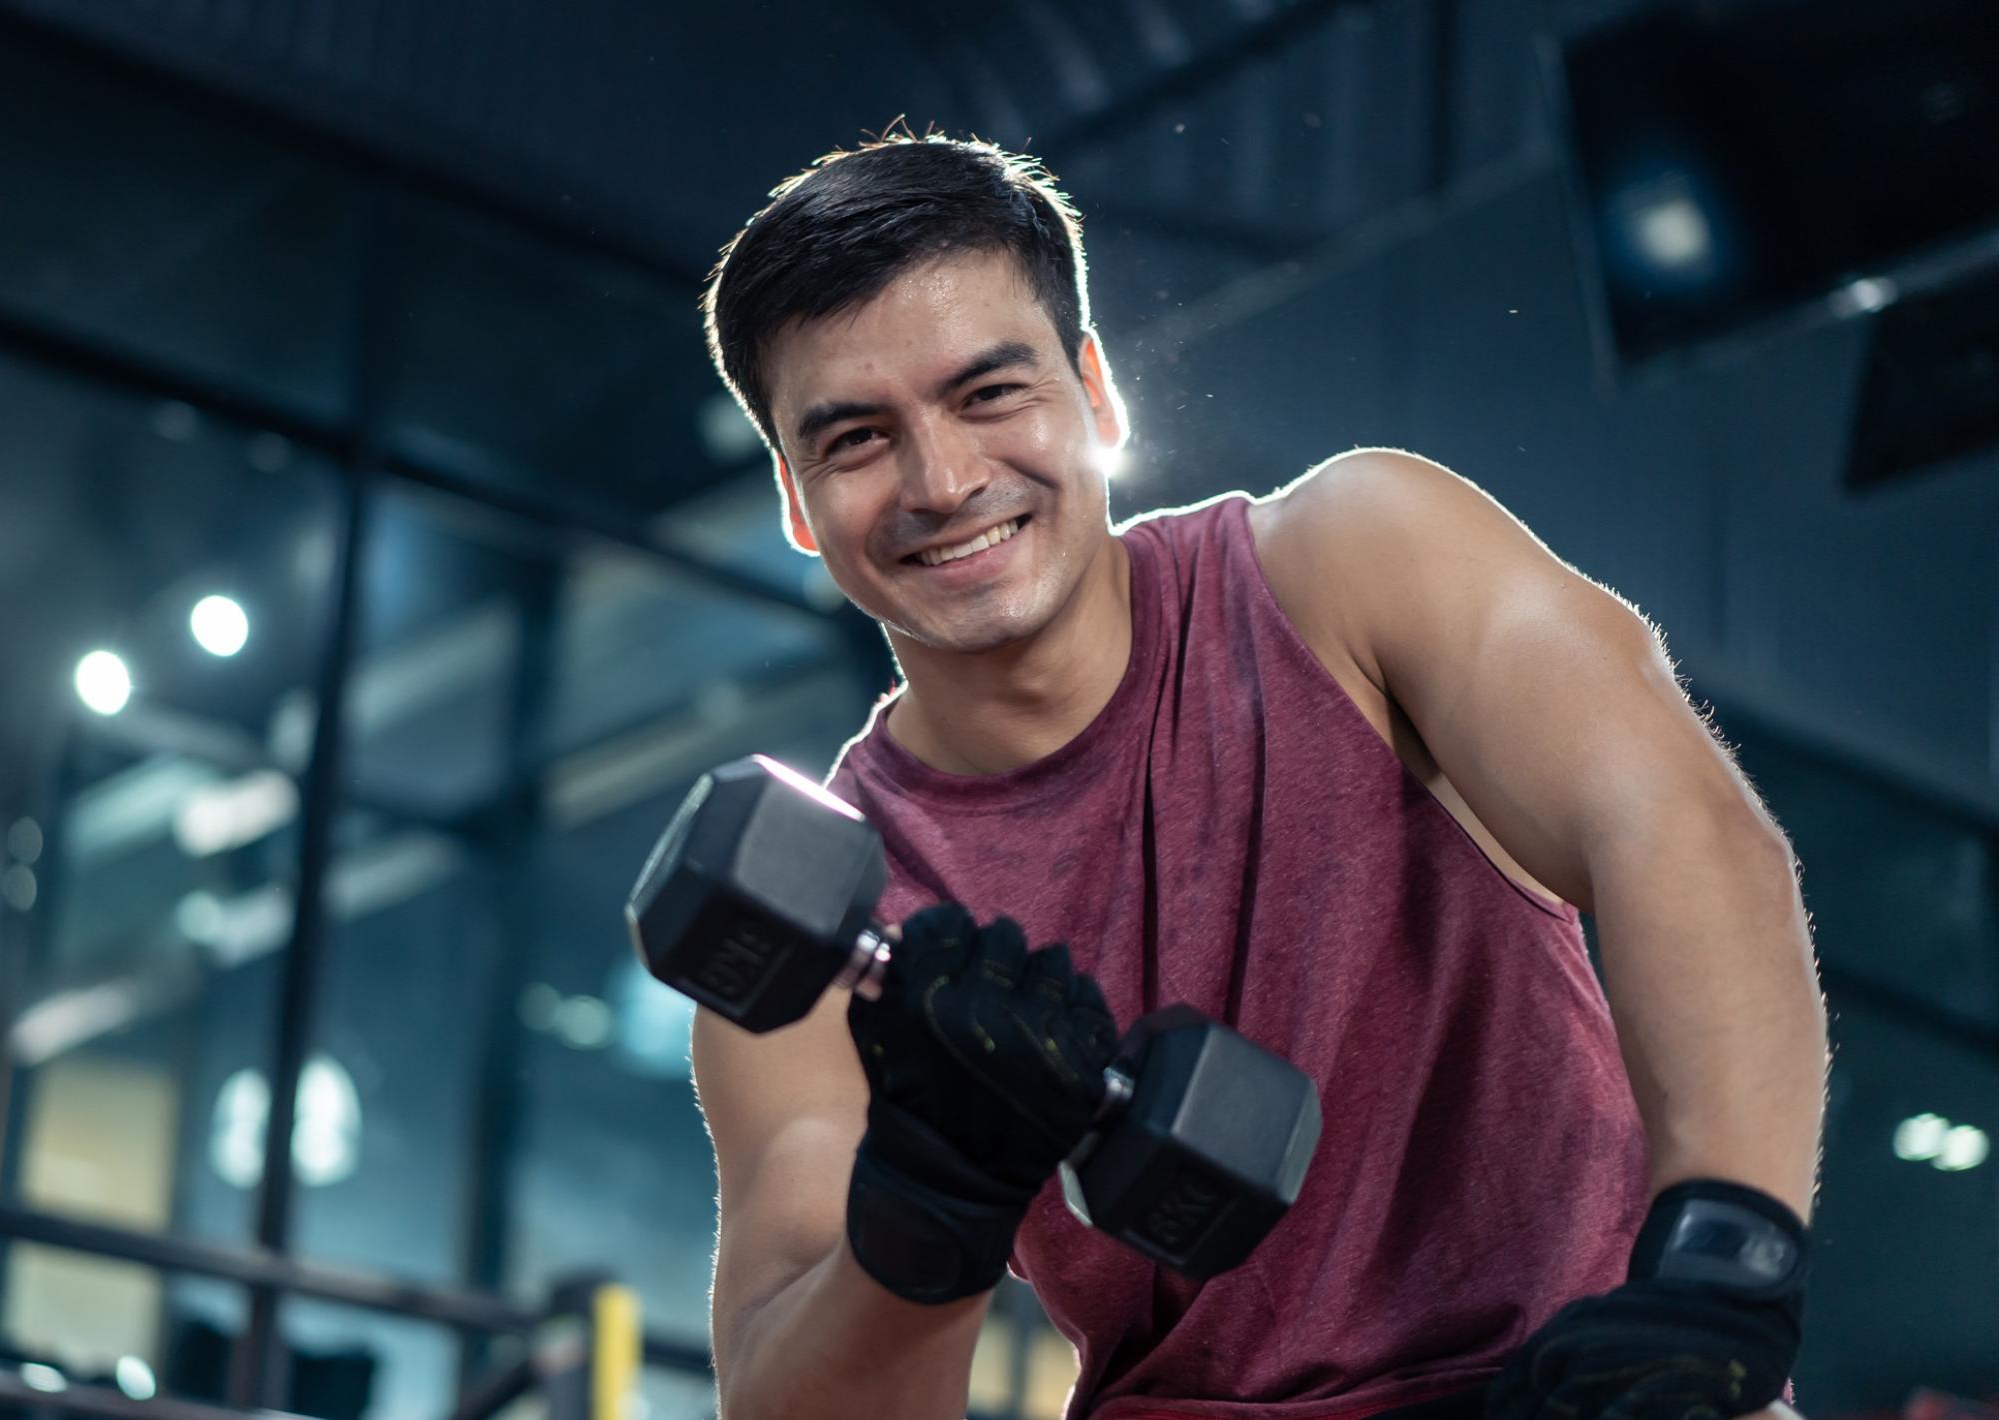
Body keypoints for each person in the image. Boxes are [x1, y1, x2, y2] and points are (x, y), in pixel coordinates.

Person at [688, 132, 1826, 1420]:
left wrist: (1719, 1274)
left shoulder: (1350, 564)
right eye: (856, 440)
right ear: (796, 501)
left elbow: (1678, 827)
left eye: (991, 393)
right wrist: (924, 1210)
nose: (944, 482)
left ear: (1095, 395)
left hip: (1587, 1388)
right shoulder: (833, 913)